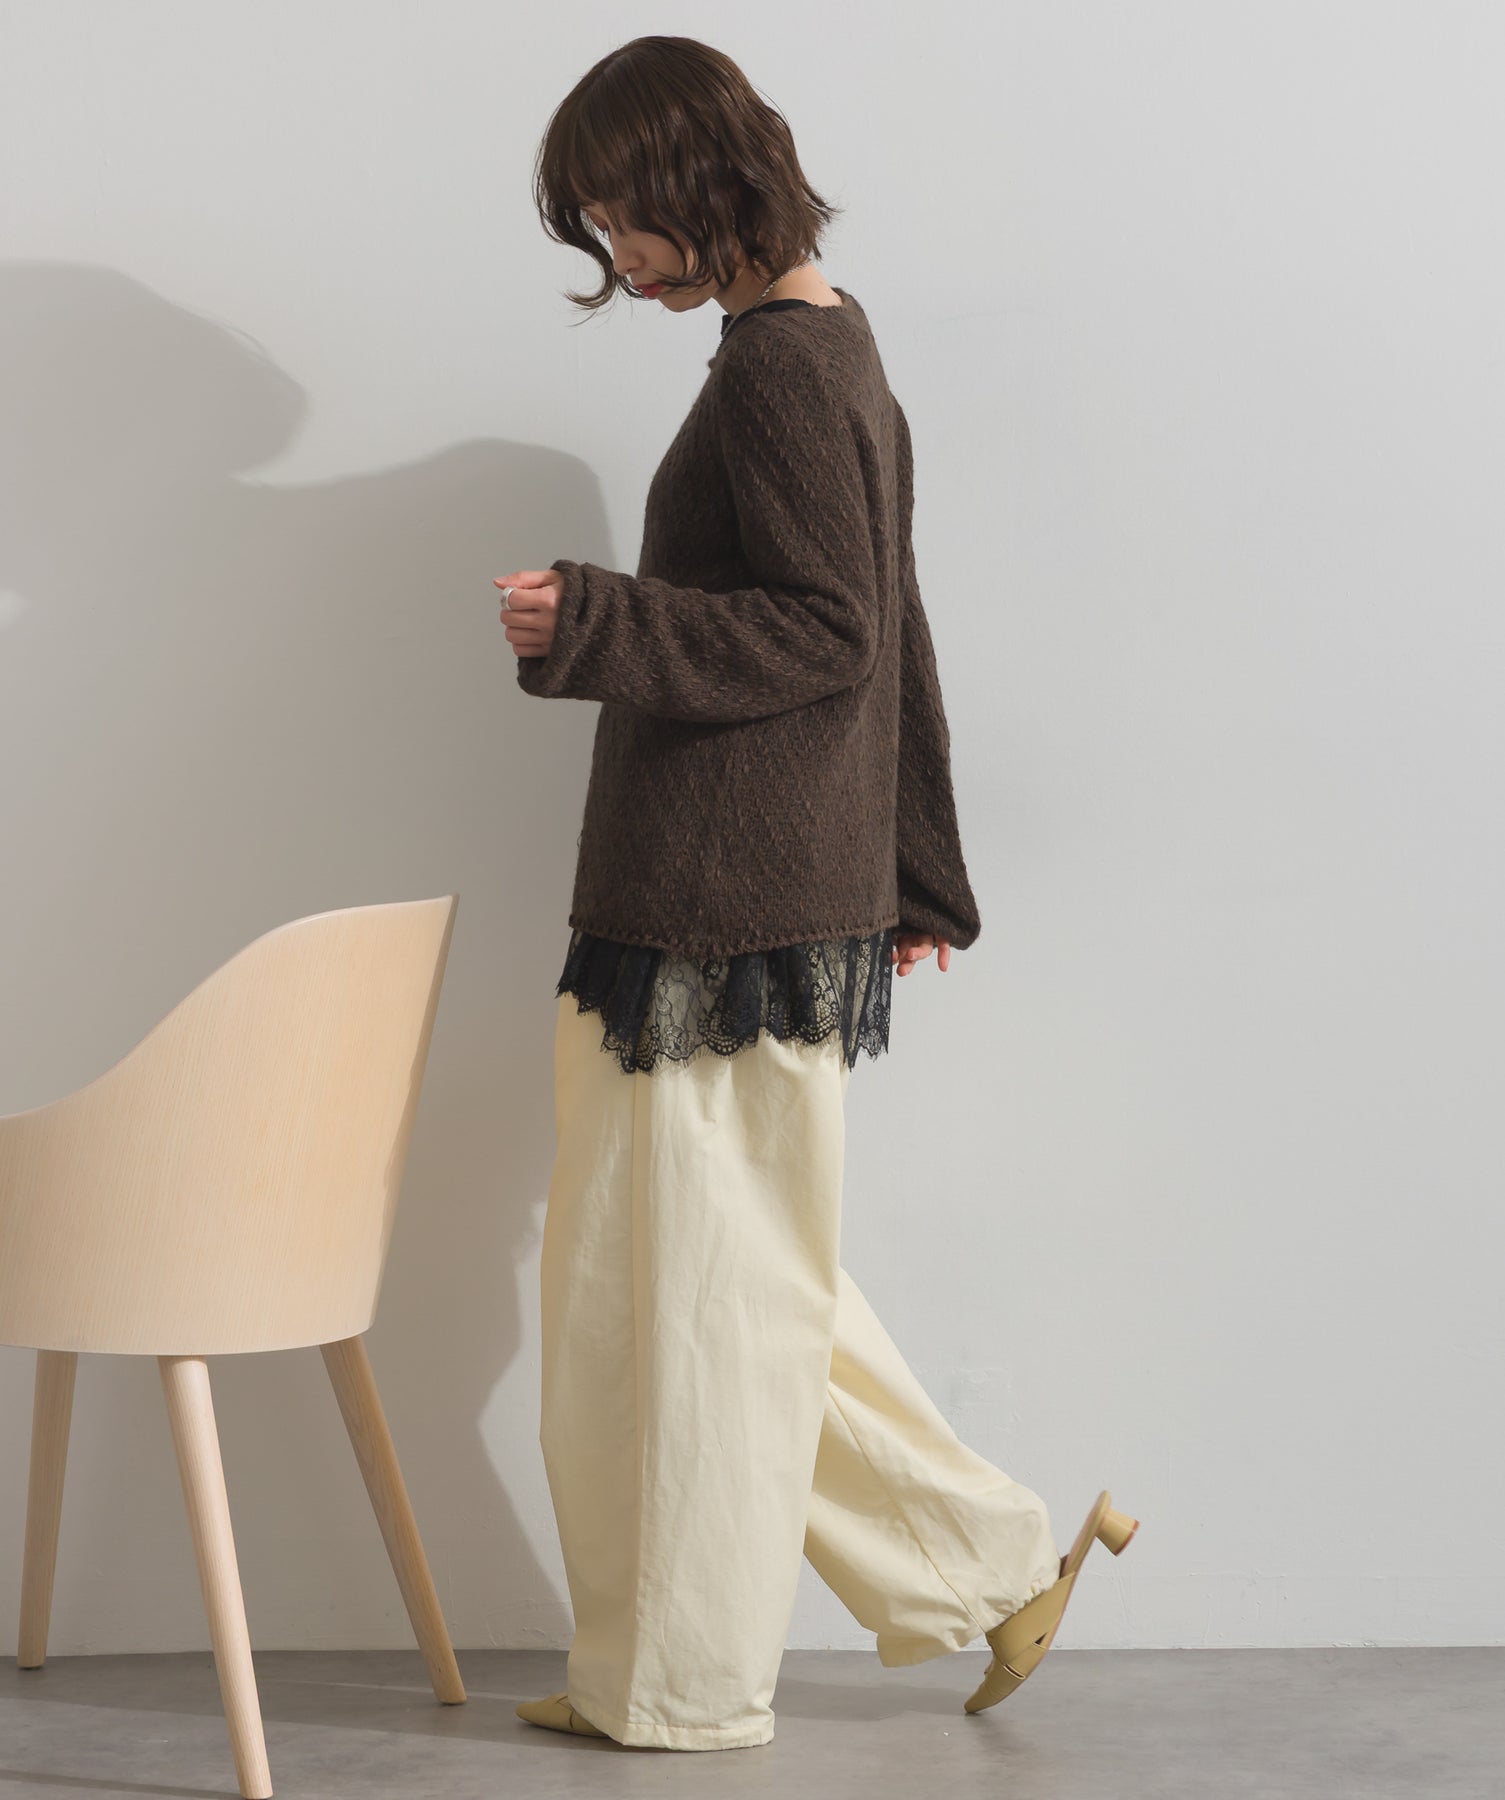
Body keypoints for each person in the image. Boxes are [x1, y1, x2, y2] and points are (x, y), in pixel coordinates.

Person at [495, 34, 1139, 1752]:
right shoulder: (815, 340)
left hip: (720, 913)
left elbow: (831, 627)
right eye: (596, 228)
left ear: (707, 177)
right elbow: (889, 618)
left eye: (625, 214)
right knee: (703, 1283)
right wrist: (906, 867)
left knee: (699, 1310)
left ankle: (689, 1687)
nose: (617, 255)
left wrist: (594, 620)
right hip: (730, 899)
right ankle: (986, 1567)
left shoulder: (785, 366)